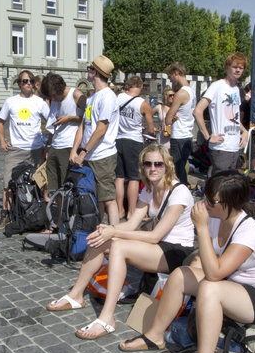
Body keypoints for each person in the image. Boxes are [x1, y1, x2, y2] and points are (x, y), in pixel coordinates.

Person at [119, 171, 255, 353]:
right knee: (181, 275)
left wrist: (202, 228)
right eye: (204, 195)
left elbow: (215, 274)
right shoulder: (216, 217)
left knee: (208, 289)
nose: (204, 204)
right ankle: (155, 335)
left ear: (230, 203)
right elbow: (205, 258)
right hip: (230, 284)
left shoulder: (249, 231)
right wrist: (192, 272)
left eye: (211, 200)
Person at [47, 144, 195, 340]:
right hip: (157, 246)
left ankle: (107, 317)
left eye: (158, 164)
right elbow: (132, 223)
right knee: (100, 239)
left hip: (177, 251)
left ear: (167, 165)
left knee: (118, 245)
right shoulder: (149, 188)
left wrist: (114, 233)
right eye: (147, 163)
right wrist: (107, 230)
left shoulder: (179, 192)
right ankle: (76, 294)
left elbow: (155, 236)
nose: (153, 168)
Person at [0, 70, 50, 230]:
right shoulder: (10, 101)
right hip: (16, 149)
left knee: (39, 183)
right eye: (25, 81)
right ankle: (6, 214)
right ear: (19, 84)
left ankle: (38, 215)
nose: (28, 84)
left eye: (31, 81)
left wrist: (48, 142)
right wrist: (2, 140)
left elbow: (52, 121)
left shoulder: (39, 102)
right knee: (7, 183)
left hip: (36, 149)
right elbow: (0, 121)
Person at [70, 55, 120, 225]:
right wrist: (74, 149)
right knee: (95, 198)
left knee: (108, 199)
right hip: (90, 155)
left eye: (90, 69)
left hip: (103, 155)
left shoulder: (107, 96)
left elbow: (101, 129)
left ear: (96, 73)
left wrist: (83, 152)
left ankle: (114, 235)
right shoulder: (92, 97)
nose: (88, 72)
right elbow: (83, 126)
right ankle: (97, 231)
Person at [194, 53, 249, 175]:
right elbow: (197, 111)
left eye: (241, 68)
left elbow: (233, 118)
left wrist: (244, 131)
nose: (238, 70)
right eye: (235, 66)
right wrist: (207, 137)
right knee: (220, 185)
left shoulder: (236, 89)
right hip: (221, 147)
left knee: (229, 186)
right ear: (227, 67)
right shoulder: (217, 86)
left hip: (234, 146)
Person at [115, 75, 155, 220]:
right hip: (134, 141)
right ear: (140, 87)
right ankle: (131, 211)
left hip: (118, 139)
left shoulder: (118, 98)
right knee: (133, 178)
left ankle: (119, 210)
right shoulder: (142, 103)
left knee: (119, 177)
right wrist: (144, 132)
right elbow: (151, 128)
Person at [41, 72, 86, 193]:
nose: (53, 99)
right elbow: (52, 124)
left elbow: (90, 118)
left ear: (58, 88)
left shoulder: (76, 95)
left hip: (69, 145)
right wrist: (48, 145)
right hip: (56, 145)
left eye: (53, 95)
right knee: (55, 188)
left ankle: (69, 211)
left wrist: (71, 118)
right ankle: (60, 212)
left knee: (67, 185)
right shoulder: (54, 99)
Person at [164, 62, 196, 185]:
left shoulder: (181, 93)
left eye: (170, 77)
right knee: (182, 166)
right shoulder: (192, 92)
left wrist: (170, 117)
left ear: (176, 73)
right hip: (188, 134)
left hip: (178, 135)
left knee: (177, 169)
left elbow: (167, 119)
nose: (170, 80)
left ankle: (182, 192)